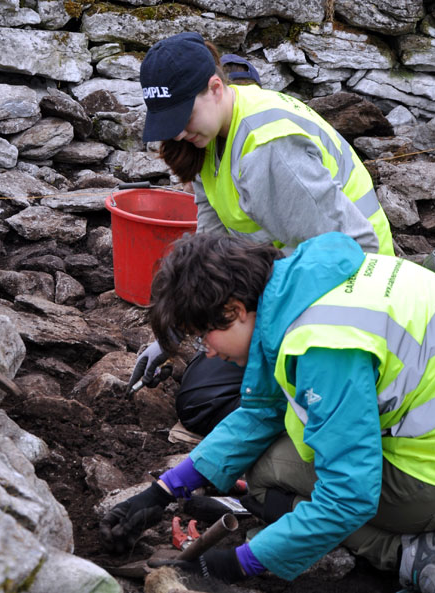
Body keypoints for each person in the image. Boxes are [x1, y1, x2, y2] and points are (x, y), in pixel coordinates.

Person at [101, 231, 435, 592]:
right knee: (282, 452)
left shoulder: (323, 345)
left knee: (267, 478)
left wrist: (238, 563)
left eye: (202, 337)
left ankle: (408, 554)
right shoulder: (306, 281)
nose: (207, 353)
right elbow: (264, 410)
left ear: (233, 310)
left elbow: (349, 495)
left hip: (428, 473)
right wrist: (164, 491)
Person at [128, 31, 395, 436]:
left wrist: (261, 328)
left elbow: (348, 255)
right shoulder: (215, 137)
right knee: (204, 384)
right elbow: (210, 249)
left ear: (216, 88)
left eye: (182, 118)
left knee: (203, 401)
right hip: (292, 282)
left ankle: (324, 421)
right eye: (168, 124)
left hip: (353, 298)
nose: (178, 134)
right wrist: (176, 327)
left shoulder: (266, 149)